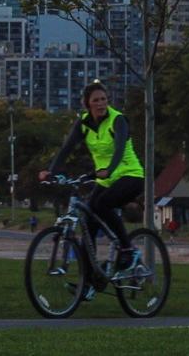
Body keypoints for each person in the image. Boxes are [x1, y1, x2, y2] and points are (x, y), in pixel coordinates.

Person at [38, 80, 146, 276]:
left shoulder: (118, 120)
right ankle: (91, 280)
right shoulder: (84, 123)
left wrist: (110, 169)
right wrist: (50, 171)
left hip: (130, 176)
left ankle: (127, 249)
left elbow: (120, 149)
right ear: (87, 104)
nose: (101, 103)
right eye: (96, 100)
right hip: (105, 179)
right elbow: (66, 149)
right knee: (87, 224)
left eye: (104, 99)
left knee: (102, 204)